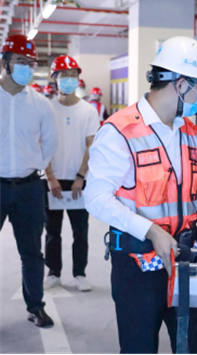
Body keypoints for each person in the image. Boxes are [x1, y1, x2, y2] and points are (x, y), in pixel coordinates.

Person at [84, 36, 197, 354]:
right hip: (138, 265)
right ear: (181, 83)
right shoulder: (120, 131)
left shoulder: (188, 132)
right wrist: (151, 231)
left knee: (195, 347)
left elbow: (187, 192)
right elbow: (95, 198)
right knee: (139, 348)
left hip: (186, 259)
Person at [0, 34, 58, 328]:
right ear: (5, 62)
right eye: (20, 61)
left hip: (29, 188)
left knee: (32, 253)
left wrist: (33, 165)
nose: (26, 67)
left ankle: (36, 307)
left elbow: (50, 144)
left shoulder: (40, 104)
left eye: (30, 63)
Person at [43, 55, 100, 293]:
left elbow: (91, 146)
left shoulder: (88, 111)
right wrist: (50, 177)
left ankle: (79, 273)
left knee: (80, 232)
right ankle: (53, 272)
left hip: (78, 181)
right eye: (64, 75)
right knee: (52, 232)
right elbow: (40, 144)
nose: (69, 79)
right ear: (54, 78)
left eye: (73, 75)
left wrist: (80, 177)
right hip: (52, 181)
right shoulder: (46, 108)